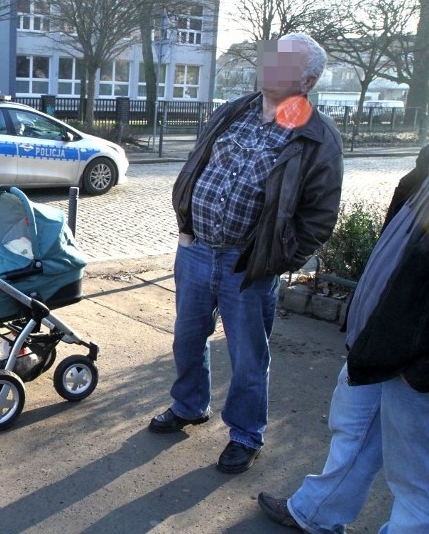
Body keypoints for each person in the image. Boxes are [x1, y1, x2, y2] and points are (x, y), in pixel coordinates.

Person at [148, 33, 344, 474]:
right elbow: (200, 162)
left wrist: (275, 260)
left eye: (285, 63)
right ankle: (188, 405)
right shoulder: (234, 110)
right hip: (196, 251)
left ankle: (245, 434)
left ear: (307, 80)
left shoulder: (317, 136)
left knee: (249, 357)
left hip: (249, 266)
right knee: (186, 339)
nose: (270, 65)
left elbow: (318, 218)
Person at [258, 145, 429, 532]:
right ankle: (316, 513)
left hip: (412, 364)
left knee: (418, 488)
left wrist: (420, 369)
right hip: (380, 342)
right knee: (353, 430)